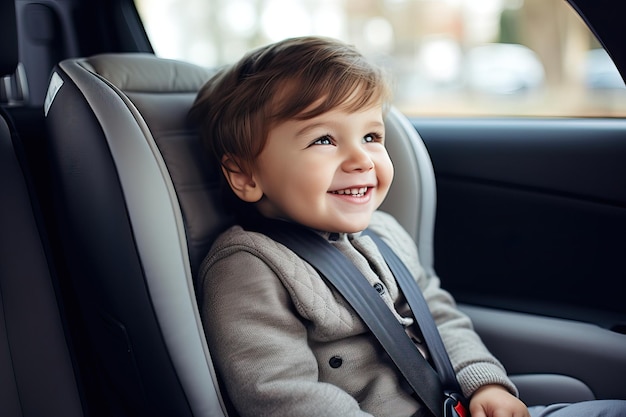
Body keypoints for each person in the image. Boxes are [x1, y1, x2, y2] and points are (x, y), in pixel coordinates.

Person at [189, 36, 626, 417]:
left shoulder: (384, 233)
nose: (361, 159)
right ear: (246, 177)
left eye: (371, 137)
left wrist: (484, 382)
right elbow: (282, 396)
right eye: (324, 139)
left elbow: (438, 316)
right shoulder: (250, 267)